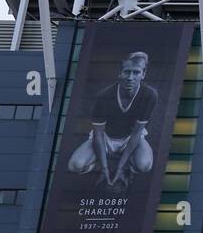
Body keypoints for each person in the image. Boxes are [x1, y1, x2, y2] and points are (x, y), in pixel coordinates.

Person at [66, 51, 158, 189]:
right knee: (74, 166)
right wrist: (104, 168)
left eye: (136, 72)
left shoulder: (149, 95)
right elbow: (98, 134)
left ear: (143, 74)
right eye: (127, 72)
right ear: (120, 73)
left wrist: (120, 167)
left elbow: (137, 133)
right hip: (105, 137)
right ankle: (99, 163)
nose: (130, 77)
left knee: (144, 166)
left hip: (130, 137)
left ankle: (127, 165)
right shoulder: (104, 96)